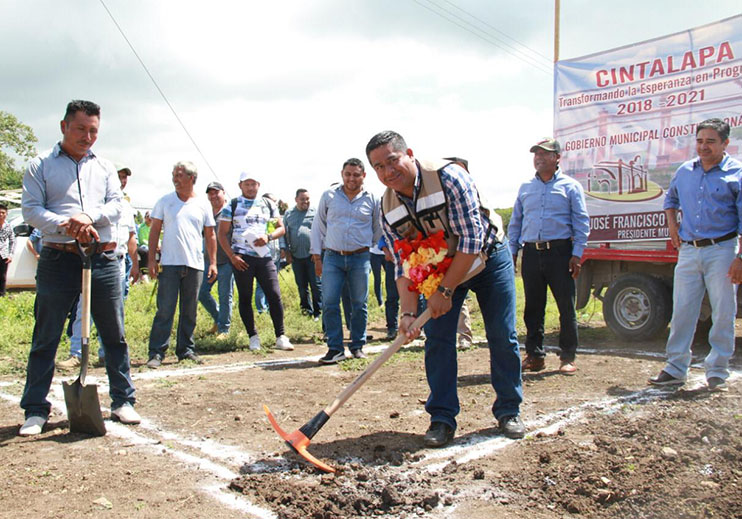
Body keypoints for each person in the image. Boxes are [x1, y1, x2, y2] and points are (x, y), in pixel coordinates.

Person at [367, 130, 524, 447]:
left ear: (409, 154)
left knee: (501, 334)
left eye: (392, 161)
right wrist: (408, 313)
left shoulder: (450, 177)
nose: (387, 172)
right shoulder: (387, 206)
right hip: (440, 268)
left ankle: (509, 410)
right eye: (379, 167)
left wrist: (446, 292)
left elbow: (471, 240)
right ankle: (442, 418)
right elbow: (404, 263)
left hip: (487, 257)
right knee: (437, 339)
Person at [19, 99, 139, 436]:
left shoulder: (105, 167)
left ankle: (122, 400)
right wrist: (67, 223)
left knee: (114, 333)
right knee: (46, 334)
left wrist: (88, 217)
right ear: (64, 126)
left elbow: (116, 205)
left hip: (102, 259)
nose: (87, 137)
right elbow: (31, 210)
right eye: (81, 129)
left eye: (93, 131)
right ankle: (35, 409)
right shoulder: (40, 165)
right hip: (58, 259)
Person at [649, 118, 742, 392]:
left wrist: (740, 258)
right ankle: (675, 368)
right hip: (689, 251)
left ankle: (717, 371)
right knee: (682, 311)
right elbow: (670, 200)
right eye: (700, 141)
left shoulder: (736, 173)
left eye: (711, 141)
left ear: (725, 143)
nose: (704, 147)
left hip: (722, 250)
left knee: (723, 312)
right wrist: (672, 225)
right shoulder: (685, 171)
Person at [508, 138, 589, 375]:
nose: (539, 158)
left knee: (565, 306)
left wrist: (577, 254)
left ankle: (568, 357)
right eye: (536, 154)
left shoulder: (570, 186)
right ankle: (535, 356)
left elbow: (581, 222)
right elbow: (516, 222)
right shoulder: (525, 187)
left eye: (545, 154)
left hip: (560, 252)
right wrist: (512, 252)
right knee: (533, 307)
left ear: (557, 158)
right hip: (532, 252)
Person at [58, 164, 140, 370]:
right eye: (119, 176)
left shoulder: (126, 207)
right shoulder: (94, 204)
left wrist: (135, 264)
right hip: (96, 259)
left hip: (119, 261)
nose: (122, 181)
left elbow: (131, 236)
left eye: (125, 178)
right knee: (84, 307)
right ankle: (77, 353)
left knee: (114, 311)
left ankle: (107, 354)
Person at [146, 161, 217, 368]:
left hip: (194, 265)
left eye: (179, 175)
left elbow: (210, 235)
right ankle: (156, 352)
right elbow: (154, 231)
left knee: (190, 310)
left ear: (191, 178)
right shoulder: (165, 201)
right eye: (173, 175)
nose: (175, 179)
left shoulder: (203, 204)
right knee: (165, 309)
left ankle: (186, 350)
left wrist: (213, 262)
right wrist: (151, 259)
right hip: (169, 264)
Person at [310, 158, 381, 364]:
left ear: (364, 176)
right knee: (330, 303)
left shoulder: (373, 199)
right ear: (342, 174)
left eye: (356, 175)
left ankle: (357, 346)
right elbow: (319, 226)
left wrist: (364, 245)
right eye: (348, 174)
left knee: (359, 303)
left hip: (360, 258)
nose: (351, 179)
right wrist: (317, 257)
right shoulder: (329, 196)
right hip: (333, 257)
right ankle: (335, 349)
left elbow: (377, 229)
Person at [218, 173, 293, 352]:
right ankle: (253, 336)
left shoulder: (268, 204)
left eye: (254, 184)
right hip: (242, 257)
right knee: (245, 296)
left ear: (259, 185)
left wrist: (268, 237)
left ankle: (280, 336)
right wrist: (232, 257)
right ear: (240, 185)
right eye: (247, 184)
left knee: (274, 294)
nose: (251, 188)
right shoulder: (232, 205)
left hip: (264, 256)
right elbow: (221, 234)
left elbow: (281, 228)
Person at [198, 181, 234, 339]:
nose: (213, 196)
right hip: (209, 261)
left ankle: (224, 329)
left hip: (227, 261)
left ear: (223, 193)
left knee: (224, 295)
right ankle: (219, 319)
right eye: (210, 193)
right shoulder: (206, 213)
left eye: (216, 192)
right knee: (201, 292)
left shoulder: (230, 211)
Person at [283, 188, 322, 320]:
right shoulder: (289, 214)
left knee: (316, 285)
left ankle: (318, 312)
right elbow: (284, 234)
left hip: (313, 256)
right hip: (296, 256)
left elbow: (321, 232)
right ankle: (306, 311)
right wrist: (286, 251)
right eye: (302, 199)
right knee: (301, 285)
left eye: (307, 199)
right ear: (296, 200)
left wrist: (317, 252)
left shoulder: (315, 212)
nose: (305, 202)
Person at [0, 203, 14, 297]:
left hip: (3, 254)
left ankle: (2, 294)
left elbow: (12, 241)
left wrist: (10, 254)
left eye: (3, 213)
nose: (1, 215)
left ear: (6, 214)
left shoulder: (8, 226)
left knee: (2, 276)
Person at [137, 211, 152, 277]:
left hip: (152, 245)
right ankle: (144, 272)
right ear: (145, 218)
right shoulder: (141, 227)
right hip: (144, 245)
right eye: (148, 217)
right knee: (146, 251)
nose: (150, 219)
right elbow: (142, 240)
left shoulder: (153, 227)